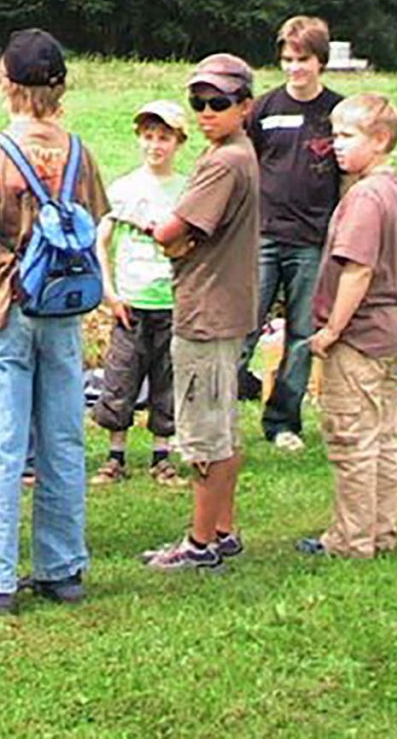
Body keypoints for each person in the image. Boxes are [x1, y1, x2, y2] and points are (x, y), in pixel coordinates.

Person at [0, 30, 109, 613]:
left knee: (2, 447)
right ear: (61, 88)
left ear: (5, 82)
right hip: (62, 310)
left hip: (3, 308)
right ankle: (62, 570)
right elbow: (94, 226)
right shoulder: (80, 152)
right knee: (63, 439)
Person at [143, 53, 259, 573]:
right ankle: (224, 531)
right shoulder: (238, 153)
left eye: (219, 102)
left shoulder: (222, 163)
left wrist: (162, 233)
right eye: (199, 102)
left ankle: (200, 543)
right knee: (224, 426)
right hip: (227, 308)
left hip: (206, 312)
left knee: (204, 435)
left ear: (245, 106)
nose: (207, 111)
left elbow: (172, 232)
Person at [298, 94, 397, 558]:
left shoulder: (366, 196)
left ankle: (350, 540)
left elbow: (358, 269)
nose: (336, 145)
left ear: (381, 139)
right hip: (393, 327)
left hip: (361, 335)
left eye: (348, 136)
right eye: (334, 135)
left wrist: (331, 330)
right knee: (384, 437)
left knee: (352, 439)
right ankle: (380, 532)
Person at [239, 16, 344, 452]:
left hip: (313, 239)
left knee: (302, 334)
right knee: (244, 326)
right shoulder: (264, 109)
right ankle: (218, 415)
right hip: (263, 235)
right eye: (287, 59)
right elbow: (243, 166)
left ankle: (283, 422)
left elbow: (348, 175)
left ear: (320, 62)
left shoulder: (337, 113)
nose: (295, 68)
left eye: (303, 60)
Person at [89, 100, 189, 487]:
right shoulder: (124, 189)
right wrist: (109, 293)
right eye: (148, 137)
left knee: (168, 378)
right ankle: (115, 455)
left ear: (178, 142)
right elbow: (100, 242)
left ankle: (162, 455)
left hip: (171, 301)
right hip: (131, 302)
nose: (155, 145)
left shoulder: (187, 190)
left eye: (164, 138)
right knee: (121, 377)